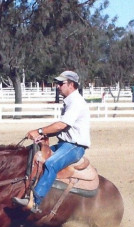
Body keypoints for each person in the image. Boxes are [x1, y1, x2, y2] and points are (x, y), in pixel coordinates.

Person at [12, 70, 90, 213]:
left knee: (51, 164)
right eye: (57, 83)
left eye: (61, 83)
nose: (57, 86)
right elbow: (64, 128)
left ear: (71, 85)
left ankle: (35, 201)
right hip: (64, 144)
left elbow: (62, 125)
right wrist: (45, 136)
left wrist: (40, 131)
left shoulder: (77, 102)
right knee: (35, 156)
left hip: (74, 147)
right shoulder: (69, 102)